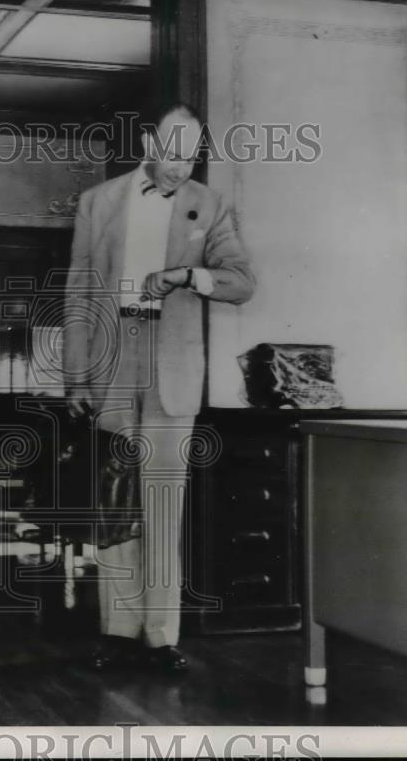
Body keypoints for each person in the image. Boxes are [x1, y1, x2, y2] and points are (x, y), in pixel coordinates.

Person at [62, 101, 256, 673]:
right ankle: (118, 631)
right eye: (171, 153)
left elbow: (241, 282)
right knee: (116, 501)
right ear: (148, 143)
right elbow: (78, 292)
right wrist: (76, 376)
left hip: (172, 367)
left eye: (190, 156)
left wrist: (186, 275)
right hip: (112, 361)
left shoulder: (209, 205)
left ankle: (160, 635)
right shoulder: (98, 202)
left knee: (164, 504)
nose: (179, 166)